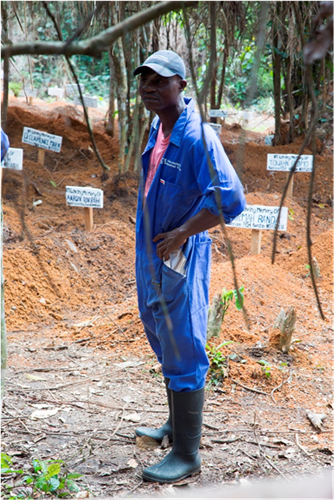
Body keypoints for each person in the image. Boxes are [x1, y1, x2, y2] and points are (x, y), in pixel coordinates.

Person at [133, 50, 246, 484]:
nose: (149, 87)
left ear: (182, 84)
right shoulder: (158, 128)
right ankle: (173, 426)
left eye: (160, 81)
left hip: (178, 252)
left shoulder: (198, 136)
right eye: (145, 79)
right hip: (152, 251)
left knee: (182, 343)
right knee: (161, 332)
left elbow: (230, 198)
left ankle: (187, 453)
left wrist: (182, 233)